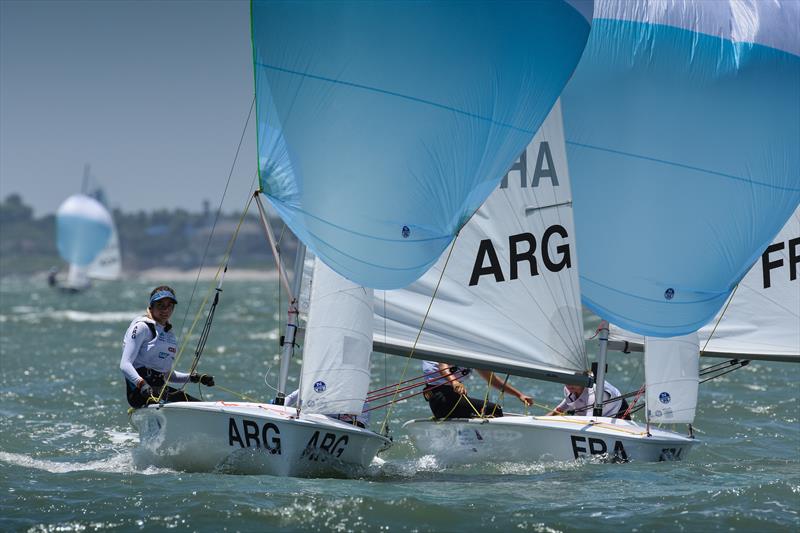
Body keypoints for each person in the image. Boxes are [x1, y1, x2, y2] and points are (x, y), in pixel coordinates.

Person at [120, 285, 215, 408]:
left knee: (201, 406)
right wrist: (142, 385)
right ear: (152, 306)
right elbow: (125, 364)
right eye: (160, 305)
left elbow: (168, 375)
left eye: (169, 305)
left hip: (159, 391)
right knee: (194, 407)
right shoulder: (142, 327)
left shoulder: (168, 334)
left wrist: (195, 378)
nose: (165, 310)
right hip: (140, 393)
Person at [422, 360, 533, 420]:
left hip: (449, 401)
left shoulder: (472, 357)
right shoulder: (450, 349)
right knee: (495, 410)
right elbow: (443, 367)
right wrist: (454, 381)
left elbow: (493, 380)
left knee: (492, 410)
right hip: (442, 398)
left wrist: (519, 395)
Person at [547, 377, 630, 419]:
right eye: (566, 380)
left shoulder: (593, 394)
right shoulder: (569, 389)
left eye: (573, 380)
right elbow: (559, 410)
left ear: (583, 379)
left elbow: (589, 421)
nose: (568, 384)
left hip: (618, 410)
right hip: (595, 414)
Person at [282, 389, 370, 429]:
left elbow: (360, 425)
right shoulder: (317, 385)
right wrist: (279, 405)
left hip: (348, 426)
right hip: (315, 423)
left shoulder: (357, 393)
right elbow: (292, 397)